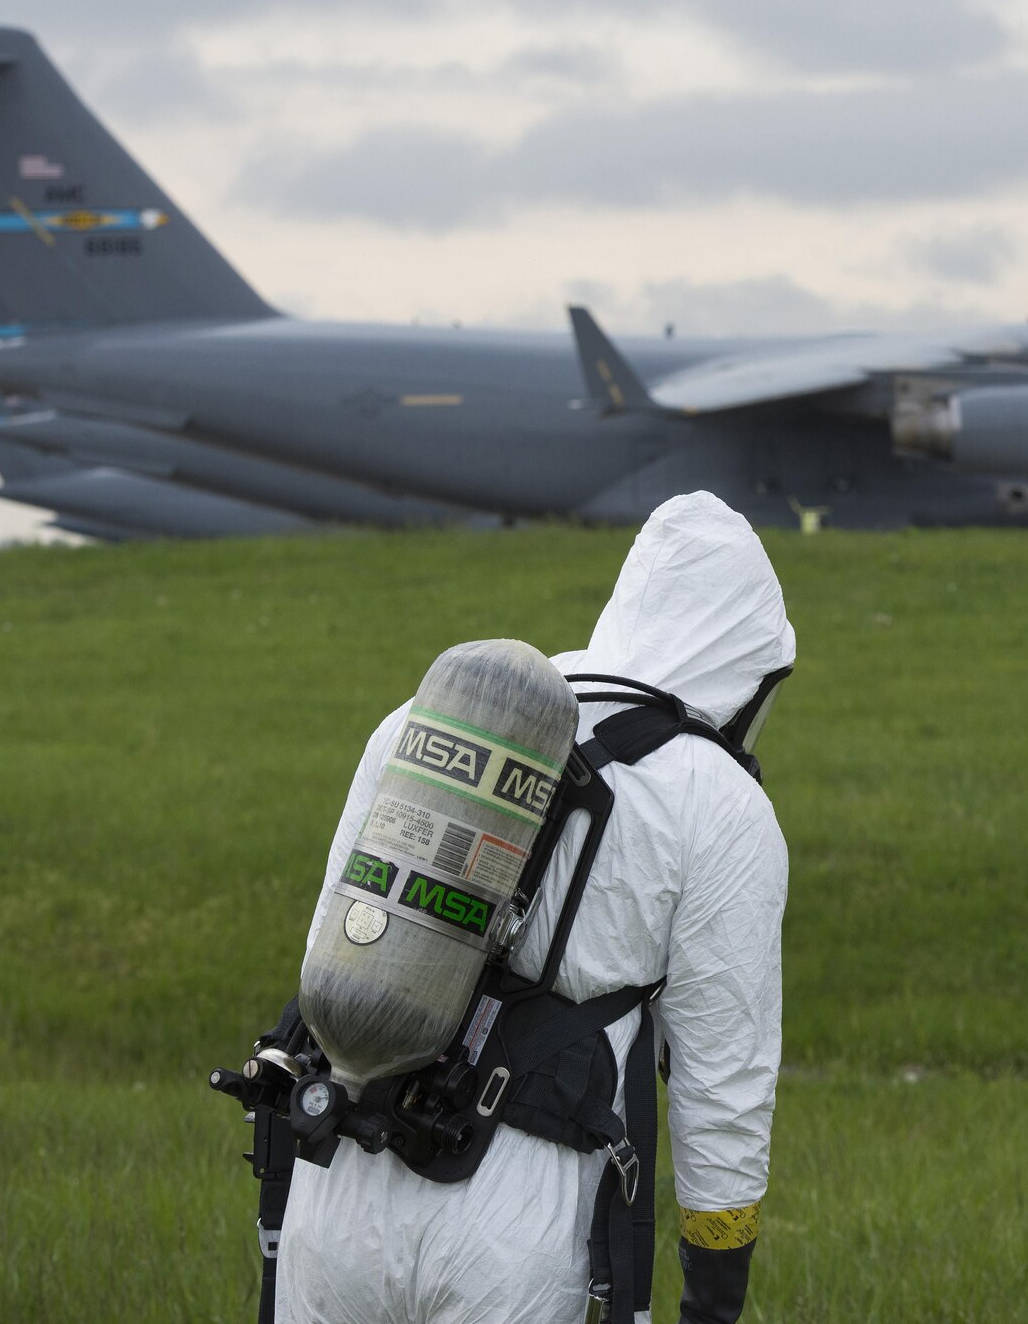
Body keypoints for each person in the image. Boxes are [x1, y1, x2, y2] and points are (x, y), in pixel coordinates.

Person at [278, 492, 795, 1324]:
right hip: (514, 1226)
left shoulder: (418, 725)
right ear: (747, 665)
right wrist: (715, 1295)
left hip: (334, 1188)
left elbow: (330, 954)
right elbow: (723, 1083)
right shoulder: (721, 804)